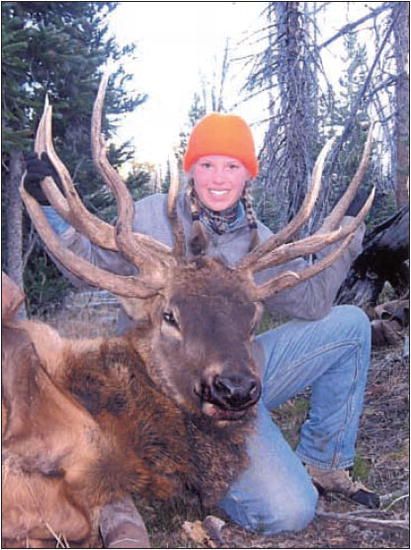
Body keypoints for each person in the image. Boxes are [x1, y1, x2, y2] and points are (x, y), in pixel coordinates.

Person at [23, 112, 379, 536]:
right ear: (191, 169)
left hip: (237, 373)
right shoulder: (151, 216)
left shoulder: (256, 240)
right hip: (169, 391)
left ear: (248, 176)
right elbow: (87, 262)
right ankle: (196, 468)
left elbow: (313, 299)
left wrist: (345, 231)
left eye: (232, 166)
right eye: (207, 164)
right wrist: (50, 203)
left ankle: (324, 460)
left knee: (349, 324)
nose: (219, 177)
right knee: (290, 512)